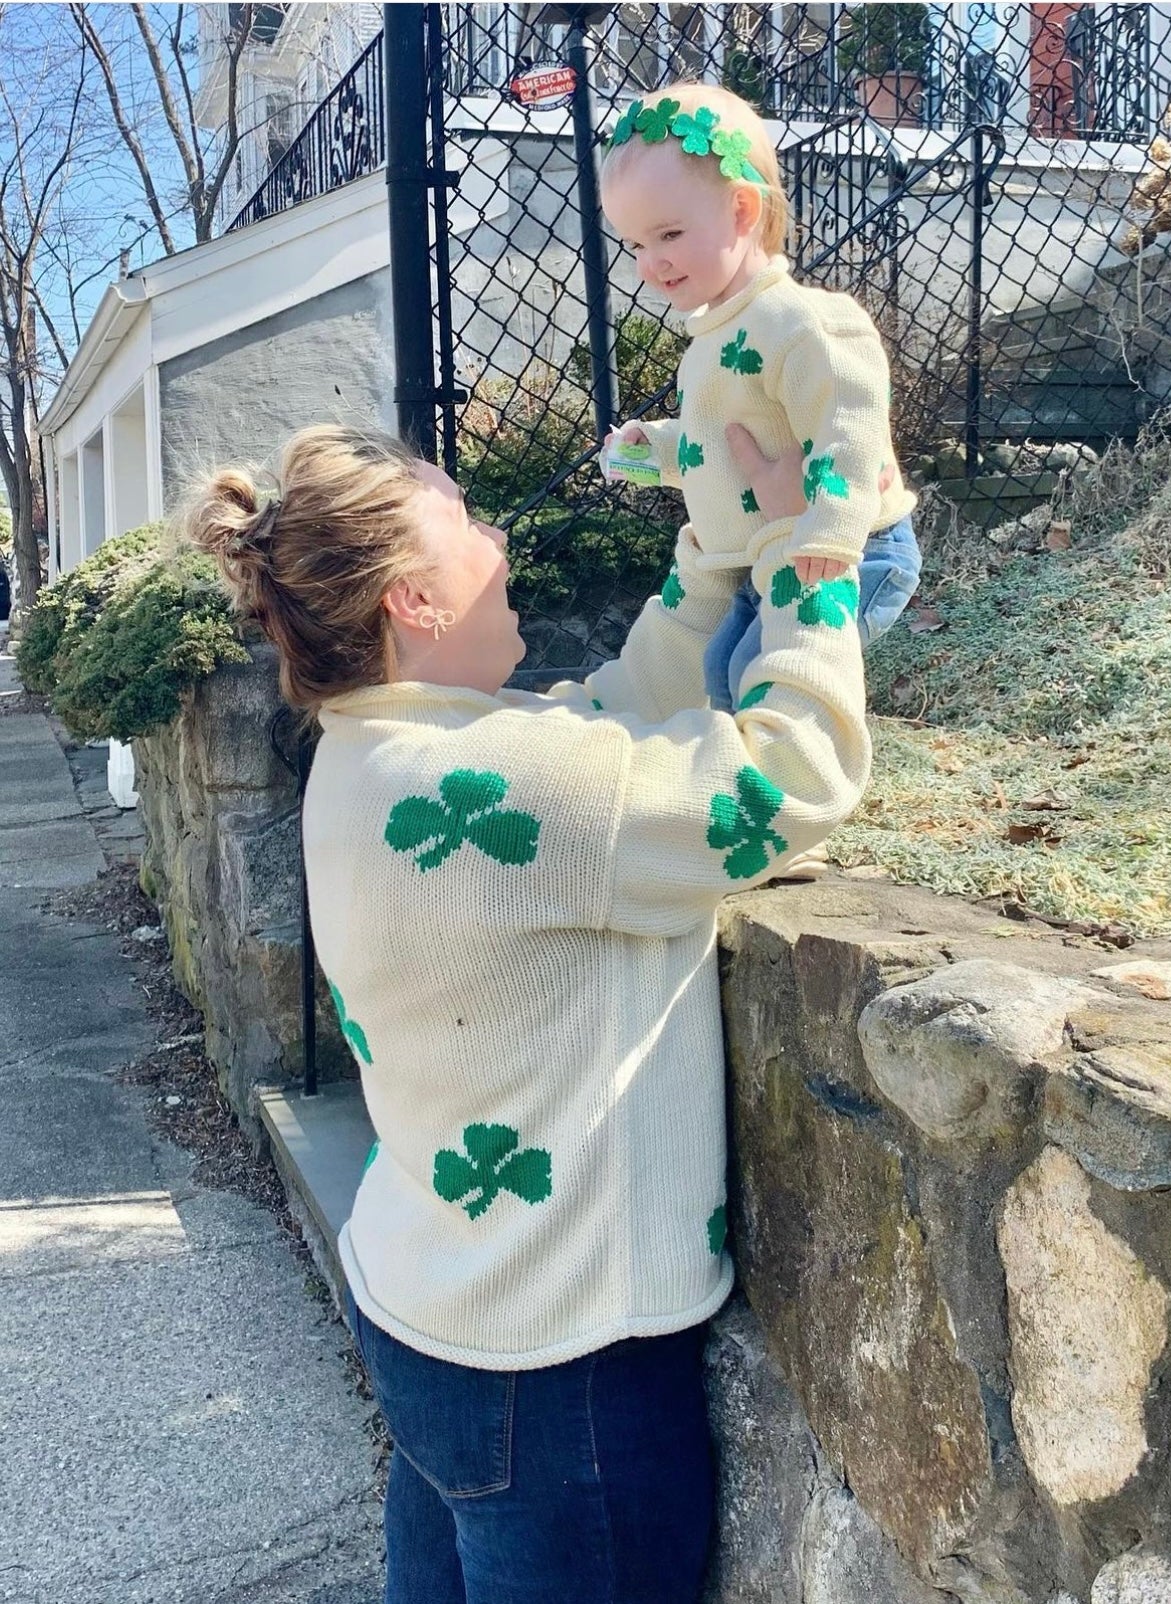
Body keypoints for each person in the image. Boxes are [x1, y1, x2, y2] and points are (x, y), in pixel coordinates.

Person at [184, 419, 871, 1604]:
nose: (499, 539)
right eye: (469, 523)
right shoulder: (510, 789)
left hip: (437, 1312)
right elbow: (789, 784)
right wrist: (817, 551)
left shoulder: (376, 756)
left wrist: (713, 548)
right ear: (417, 596)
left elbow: (610, 722)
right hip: (564, 1373)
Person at [598, 81, 922, 714]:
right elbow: (722, 435)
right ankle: (752, 794)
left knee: (763, 679)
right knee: (721, 670)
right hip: (768, 556)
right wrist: (656, 450)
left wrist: (831, 532)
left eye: (667, 234)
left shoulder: (801, 321)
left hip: (849, 547)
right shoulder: (715, 336)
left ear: (743, 211)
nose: (649, 263)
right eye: (635, 244)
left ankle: (792, 794)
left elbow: (849, 423)